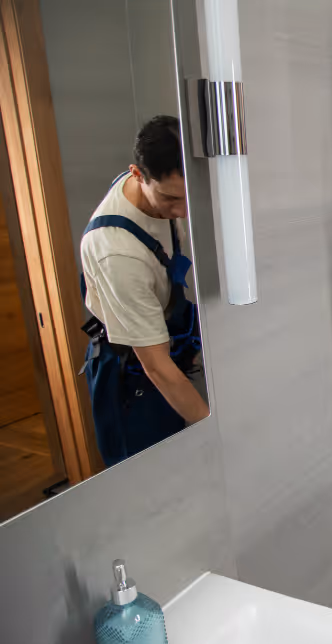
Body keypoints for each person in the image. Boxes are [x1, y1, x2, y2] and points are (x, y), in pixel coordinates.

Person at [79, 115, 207, 467]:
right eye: (170, 199)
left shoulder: (165, 184)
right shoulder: (117, 252)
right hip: (133, 375)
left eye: (188, 197)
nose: (182, 211)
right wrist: (216, 433)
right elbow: (157, 367)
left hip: (164, 339)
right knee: (152, 480)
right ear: (137, 174)